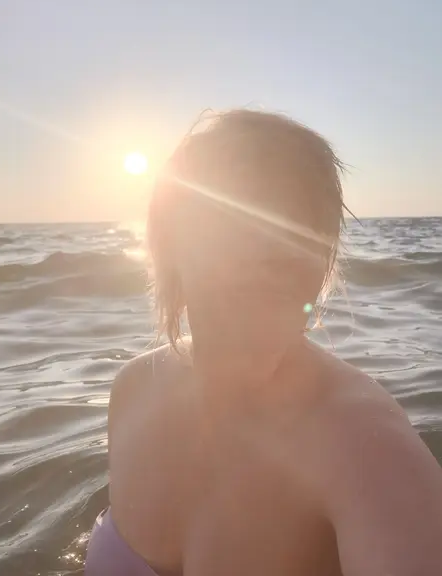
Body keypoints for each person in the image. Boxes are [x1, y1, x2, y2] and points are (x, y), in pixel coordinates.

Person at [85, 109, 442, 575]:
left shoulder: (368, 451)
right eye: (235, 218)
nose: (271, 250)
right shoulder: (134, 390)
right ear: (172, 243)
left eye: (300, 225)